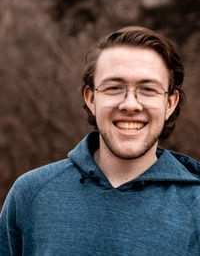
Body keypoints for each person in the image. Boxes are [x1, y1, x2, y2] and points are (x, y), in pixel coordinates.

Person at [0, 26, 200, 256]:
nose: (130, 105)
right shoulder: (30, 194)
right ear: (91, 98)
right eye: (114, 88)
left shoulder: (196, 206)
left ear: (170, 103)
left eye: (148, 89)